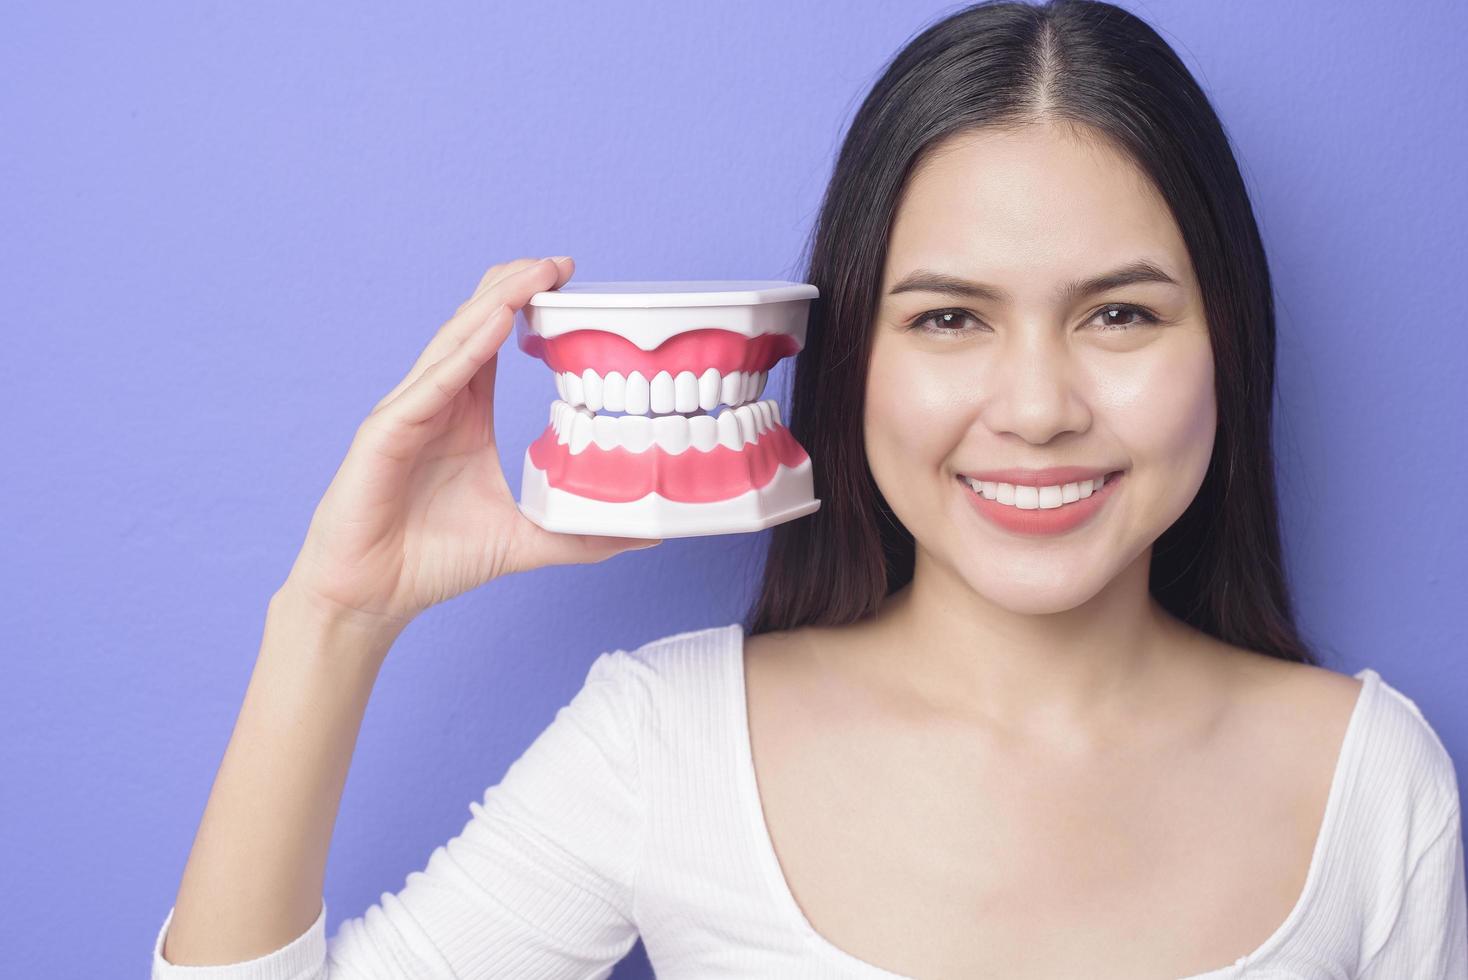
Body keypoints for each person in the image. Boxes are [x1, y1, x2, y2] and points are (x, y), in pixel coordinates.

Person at [152, 0, 1466, 977]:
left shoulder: (1371, 783)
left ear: (1227, 340)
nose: (1035, 407)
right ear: (849, 364)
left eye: (1119, 315)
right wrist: (334, 613)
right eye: (950, 320)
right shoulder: (665, 745)